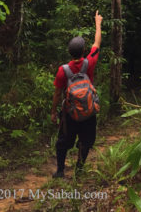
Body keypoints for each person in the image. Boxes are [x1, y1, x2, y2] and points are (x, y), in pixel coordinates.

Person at [51, 10, 102, 178]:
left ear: (69, 53)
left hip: (70, 113)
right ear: (84, 50)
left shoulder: (62, 71)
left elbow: (58, 94)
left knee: (63, 141)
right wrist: (97, 23)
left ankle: (60, 171)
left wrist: (53, 112)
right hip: (88, 111)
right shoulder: (90, 62)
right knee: (86, 141)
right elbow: (97, 42)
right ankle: (79, 169)